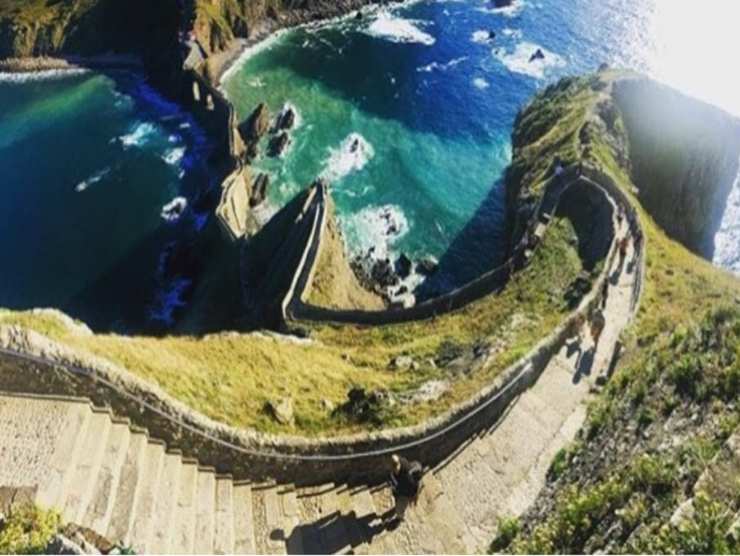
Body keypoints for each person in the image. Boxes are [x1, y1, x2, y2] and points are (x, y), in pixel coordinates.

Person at [388, 454, 423, 525]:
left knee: (399, 509)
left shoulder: (408, 476)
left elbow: (415, 485)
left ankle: (399, 518)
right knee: (398, 503)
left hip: (406, 494)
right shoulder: (401, 463)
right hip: (403, 491)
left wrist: (415, 496)